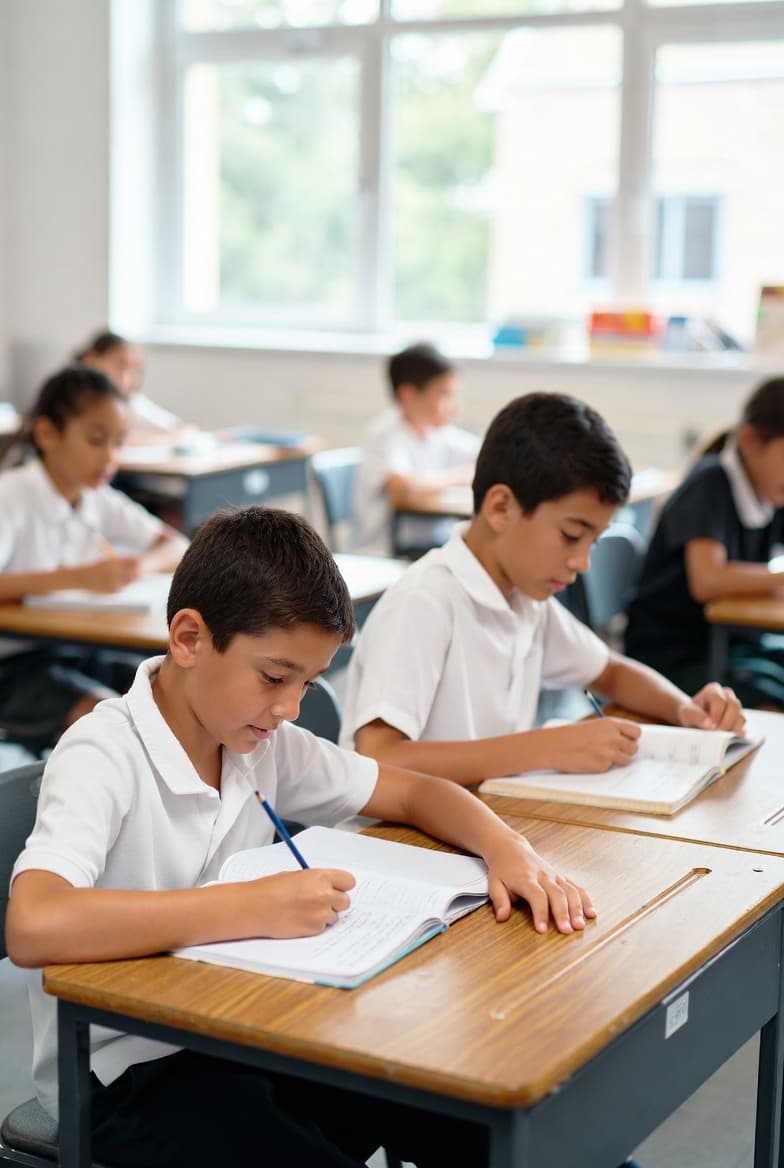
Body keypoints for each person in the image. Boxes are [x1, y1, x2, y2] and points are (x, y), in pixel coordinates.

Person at [6, 505, 594, 1168]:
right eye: (274, 677)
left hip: (245, 1026)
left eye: (308, 684)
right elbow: (34, 924)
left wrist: (508, 849)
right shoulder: (102, 753)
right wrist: (250, 906)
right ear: (190, 638)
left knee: (464, 1116)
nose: (290, 708)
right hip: (122, 1074)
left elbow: (414, 791)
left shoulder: (262, 743)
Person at [339, 392, 744, 786]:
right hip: (393, 829)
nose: (582, 562)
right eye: (572, 535)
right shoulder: (424, 602)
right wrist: (545, 747)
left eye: (593, 542)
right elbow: (380, 757)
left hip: (481, 815)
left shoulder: (525, 598)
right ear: (501, 508)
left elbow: (611, 672)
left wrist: (686, 709)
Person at [0, 365, 187, 745]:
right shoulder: (11, 495)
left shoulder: (96, 496)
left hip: (70, 651)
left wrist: (138, 567)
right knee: (110, 720)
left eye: (119, 443)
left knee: (168, 690)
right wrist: (81, 578)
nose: (110, 456)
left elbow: (176, 545)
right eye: (97, 440)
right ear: (47, 433)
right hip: (11, 666)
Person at [626, 377, 784, 707]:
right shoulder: (710, 484)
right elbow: (707, 581)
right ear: (749, 440)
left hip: (730, 649)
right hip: (673, 661)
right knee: (771, 704)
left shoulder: (769, 492)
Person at [350, 341, 479, 556]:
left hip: (430, 544)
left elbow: (486, 456)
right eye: (444, 395)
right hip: (386, 549)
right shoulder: (384, 434)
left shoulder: (436, 432)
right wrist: (462, 477)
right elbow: (402, 486)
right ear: (408, 394)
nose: (454, 407)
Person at [75, 328, 186, 441]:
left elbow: (178, 428)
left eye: (135, 368)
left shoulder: (130, 403)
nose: (127, 377)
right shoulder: (70, 397)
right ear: (90, 359)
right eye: (120, 364)